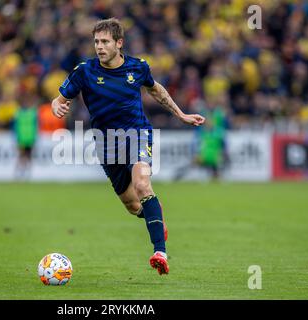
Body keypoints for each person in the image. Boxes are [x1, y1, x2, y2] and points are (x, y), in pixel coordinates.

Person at [51, 18, 205, 275]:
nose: (99, 47)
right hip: (106, 143)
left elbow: (156, 90)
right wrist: (57, 104)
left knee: (143, 184)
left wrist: (180, 114)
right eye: (96, 42)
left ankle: (160, 252)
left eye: (105, 42)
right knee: (133, 205)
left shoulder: (138, 67)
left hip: (137, 135)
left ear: (118, 43)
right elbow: (60, 99)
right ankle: (155, 215)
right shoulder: (84, 71)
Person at [13, 93, 39, 180]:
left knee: (28, 156)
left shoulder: (32, 113)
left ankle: (27, 173)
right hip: (22, 138)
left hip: (30, 138)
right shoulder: (20, 113)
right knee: (21, 156)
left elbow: (36, 126)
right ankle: (18, 173)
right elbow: (15, 126)